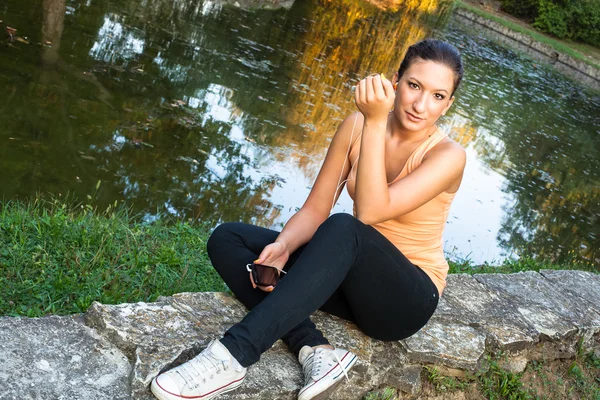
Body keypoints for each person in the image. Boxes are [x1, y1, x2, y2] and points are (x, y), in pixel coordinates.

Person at [150, 38, 466, 400]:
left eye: (438, 96)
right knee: (229, 239)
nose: (421, 105)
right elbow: (316, 209)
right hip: (348, 281)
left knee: (347, 227)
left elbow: (371, 211)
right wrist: (283, 246)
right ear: (396, 80)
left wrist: (377, 121)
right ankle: (314, 349)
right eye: (414, 86)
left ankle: (233, 355)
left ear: (448, 104)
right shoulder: (356, 126)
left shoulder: (448, 155)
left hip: (405, 300)